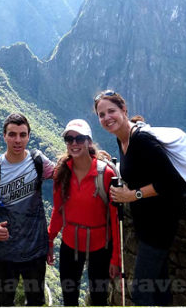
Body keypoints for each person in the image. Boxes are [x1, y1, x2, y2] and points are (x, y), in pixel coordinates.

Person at [93, 90, 186, 306]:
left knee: (142, 293)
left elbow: (169, 180)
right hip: (146, 226)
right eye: (101, 114)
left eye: (111, 111)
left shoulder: (141, 140)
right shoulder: (122, 140)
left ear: (124, 110)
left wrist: (132, 195)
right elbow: (138, 171)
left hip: (159, 226)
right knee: (160, 288)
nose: (107, 118)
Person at [0, 113, 55, 306]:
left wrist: (96, 158)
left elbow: (66, 171)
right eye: (12, 134)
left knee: (36, 302)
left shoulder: (38, 162)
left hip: (35, 252)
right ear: (4, 136)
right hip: (5, 254)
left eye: (22, 134)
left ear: (29, 136)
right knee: (4, 303)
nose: (17, 140)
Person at [47, 119, 120, 306]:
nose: (74, 143)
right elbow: (58, 210)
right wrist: (50, 240)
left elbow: (114, 218)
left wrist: (116, 257)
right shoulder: (61, 173)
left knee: (99, 298)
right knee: (69, 297)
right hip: (70, 243)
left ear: (89, 141)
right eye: (69, 139)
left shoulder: (105, 174)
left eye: (79, 138)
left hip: (101, 246)